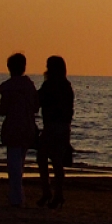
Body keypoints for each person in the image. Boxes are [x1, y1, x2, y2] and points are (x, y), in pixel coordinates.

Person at [0, 53, 39, 207]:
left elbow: (3, 108)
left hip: (14, 127)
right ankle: (17, 196)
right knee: (19, 163)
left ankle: (17, 198)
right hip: (27, 127)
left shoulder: (10, 87)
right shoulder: (29, 86)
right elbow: (35, 107)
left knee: (14, 164)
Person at [36, 56, 74, 208]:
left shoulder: (50, 85)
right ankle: (57, 194)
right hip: (63, 127)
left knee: (43, 158)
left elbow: (39, 100)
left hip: (53, 126)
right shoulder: (66, 86)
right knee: (56, 162)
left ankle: (49, 192)